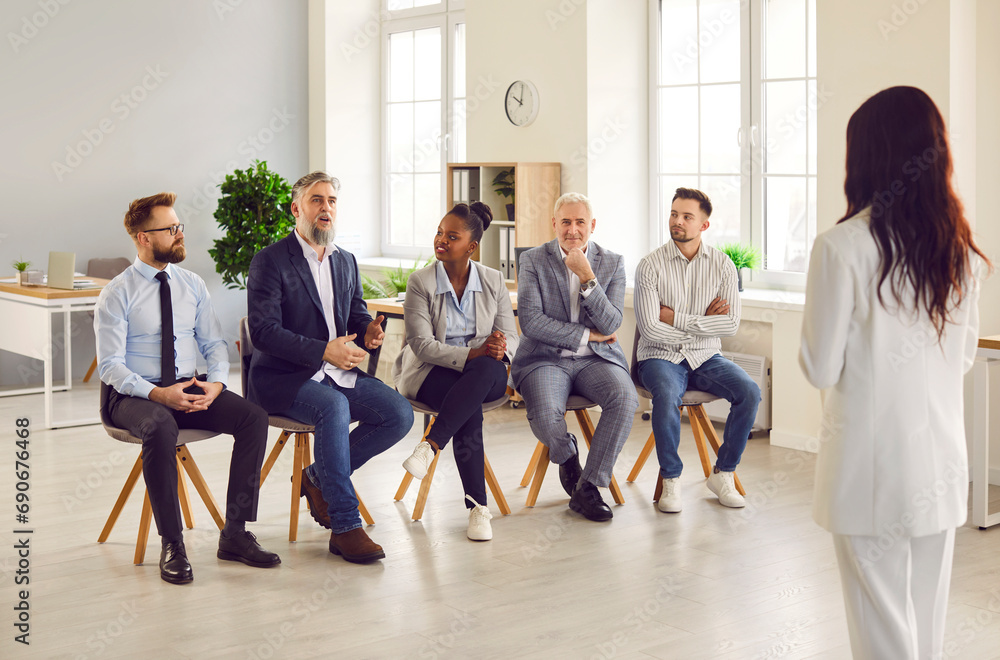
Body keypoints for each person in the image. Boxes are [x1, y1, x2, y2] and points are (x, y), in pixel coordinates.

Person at [799, 86, 988, 659]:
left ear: (865, 156)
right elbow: (962, 357)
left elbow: (819, 367)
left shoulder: (841, 247)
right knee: (925, 630)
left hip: (868, 473)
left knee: (880, 630)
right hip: (940, 467)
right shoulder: (960, 253)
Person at [95, 192, 279, 585]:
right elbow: (110, 365)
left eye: (179, 226)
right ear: (144, 237)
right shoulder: (117, 292)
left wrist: (216, 383)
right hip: (132, 394)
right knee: (160, 425)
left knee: (253, 417)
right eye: (170, 229)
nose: (180, 234)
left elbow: (214, 344)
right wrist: (158, 394)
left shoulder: (192, 285)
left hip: (188, 384)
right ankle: (172, 544)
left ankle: (235, 534)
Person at [246, 171, 413, 564]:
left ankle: (317, 477)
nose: (326, 207)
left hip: (336, 373)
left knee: (399, 413)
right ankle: (345, 526)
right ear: (296, 209)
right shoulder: (270, 261)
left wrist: (368, 332)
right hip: (283, 379)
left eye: (332, 200)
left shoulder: (345, 260)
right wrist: (324, 351)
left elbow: (355, 314)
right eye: (317, 200)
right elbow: (264, 333)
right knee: (333, 407)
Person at [393, 202, 518, 541]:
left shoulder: (493, 280)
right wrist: (474, 352)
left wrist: (499, 347)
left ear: (471, 246)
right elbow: (422, 345)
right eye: (439, 233)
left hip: (485, 374)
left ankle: (430, 445)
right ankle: (478, 508)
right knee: (467, 406)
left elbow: (512, 337)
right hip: (431, 373)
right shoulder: (420, 282)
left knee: (483, 371)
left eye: (452, 236)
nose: (441, 240)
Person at [511, 192, 638, 522]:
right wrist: (586, 335)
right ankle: (568, 456)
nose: (572, 230)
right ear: (553, 223)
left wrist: (587, 277)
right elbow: (531, 322)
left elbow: (611, 324)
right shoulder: (533, 260)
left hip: (596, 359)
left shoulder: (612, 262)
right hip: (544, 358)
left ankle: (588, 487)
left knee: (625, 399)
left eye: (580, 222)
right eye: (565, 222)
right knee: (545, 412)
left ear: (592, 225)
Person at [634, 187, 760, 513]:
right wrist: (703, 322)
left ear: (704, 225)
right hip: (659, 355)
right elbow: (649, 328)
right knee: (666, 395)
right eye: (674, 214)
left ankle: (723, 473)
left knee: (749, 391)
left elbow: (730, 325)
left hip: (706, 357)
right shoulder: (649, 265)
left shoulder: (723, 266)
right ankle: (671, 479)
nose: (677, 221)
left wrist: (675, 317)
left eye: (687, 216)